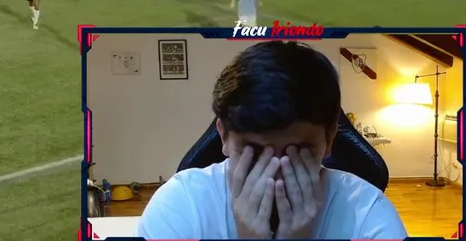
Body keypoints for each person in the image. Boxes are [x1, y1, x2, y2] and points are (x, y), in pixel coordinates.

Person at [137, 41, 407, 239]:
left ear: (330, 139)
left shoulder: (368, 215)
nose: (276, 174)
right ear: (223, 135)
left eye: (299, 152)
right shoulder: (180, 205)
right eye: (255, 153)